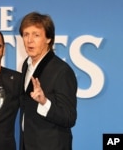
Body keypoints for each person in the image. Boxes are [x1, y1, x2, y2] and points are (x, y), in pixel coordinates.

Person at [19, 12, 77, 150]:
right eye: (26, 34)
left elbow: (69, 118)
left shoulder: (62, 71)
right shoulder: (26, 65)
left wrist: (44, 102)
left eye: (36, 35)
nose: (29, 40)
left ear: (48, 38)